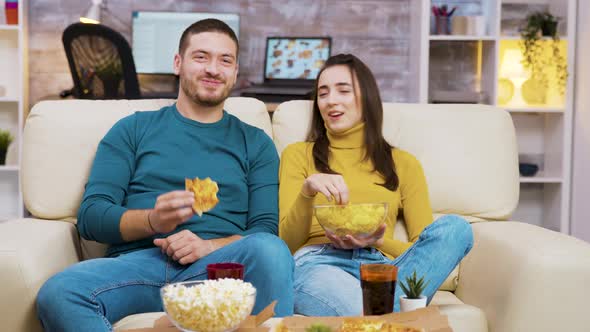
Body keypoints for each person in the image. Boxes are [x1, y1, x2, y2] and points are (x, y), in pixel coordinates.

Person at [36, 19, 294, 331]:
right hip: (141, 267)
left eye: (225, 60)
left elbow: (265, 231)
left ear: (235, 72)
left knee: (270, 249)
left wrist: (209, 247)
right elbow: (91, 217)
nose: (213, 69)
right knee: (60, 292)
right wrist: (152, 220)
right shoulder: (132, 129)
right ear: (178, 63)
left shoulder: (255, 143)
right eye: (201, 57)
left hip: (222, 271)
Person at [278, 53, 473, 316]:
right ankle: (390, 314)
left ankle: (382, 314)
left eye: (343, 90)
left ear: (367, 97)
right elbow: (285, 245)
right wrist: (307, 191)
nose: (330, 100)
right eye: (322, 93)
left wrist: (379, 242)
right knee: (368, 308)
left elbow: (422, 246)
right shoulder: (298, 155)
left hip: (382, 269)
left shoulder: (404, 164)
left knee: (456, 229)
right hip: (318, 263)